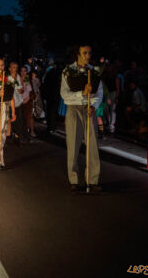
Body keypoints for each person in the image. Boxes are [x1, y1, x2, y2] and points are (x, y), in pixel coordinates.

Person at [60, 44, 103, 193]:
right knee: (73, 144)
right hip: (73, 109)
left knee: (92, 145)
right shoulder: (68, 71)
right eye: (84, 53)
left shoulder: (94, 71)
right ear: (77, 54)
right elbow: (64, 95)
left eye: (89, 53)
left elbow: (100, 92)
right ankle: (74, 179)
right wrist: (81, 94)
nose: (88, 56)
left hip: (89, 109)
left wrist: (94, 106)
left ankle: (92, 180)